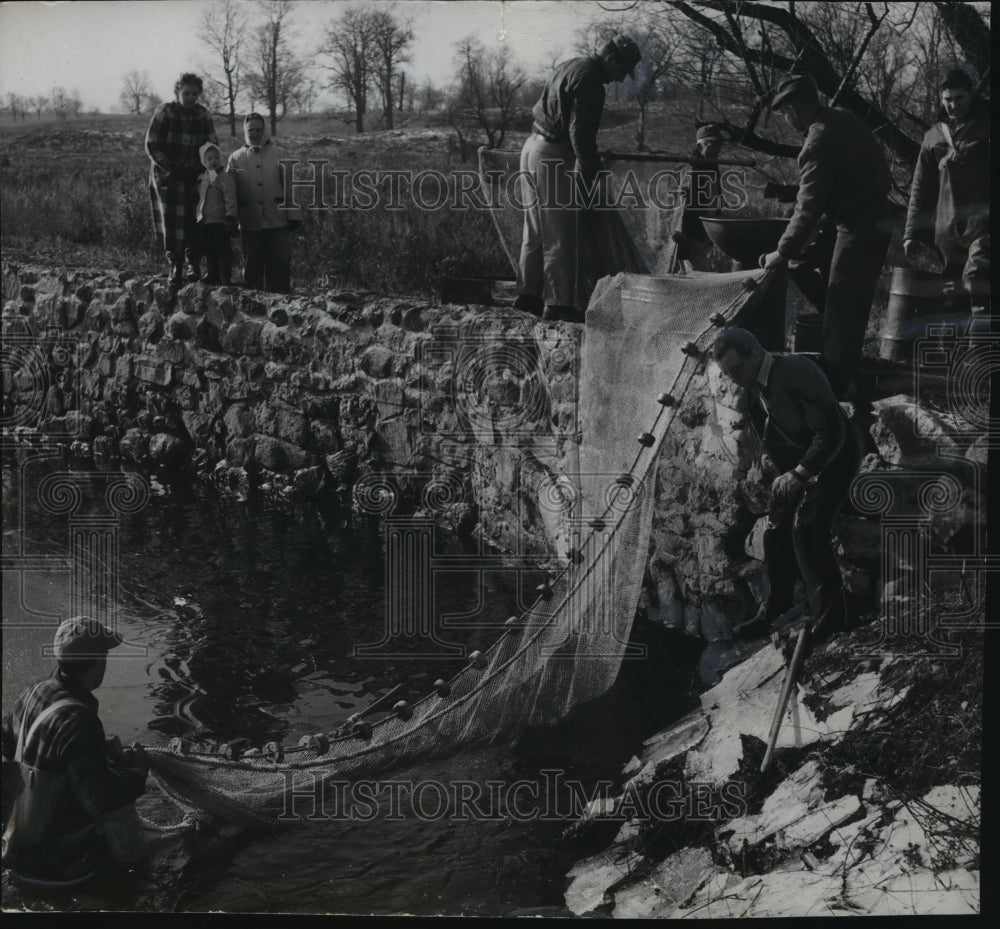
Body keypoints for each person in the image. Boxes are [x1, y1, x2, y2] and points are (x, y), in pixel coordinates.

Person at [712, 328, 862, 648]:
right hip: (799, 464)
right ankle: (775, 608)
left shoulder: (797, 372)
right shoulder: (754, 383)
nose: (734, 380)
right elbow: (774, 430)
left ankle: (831, 619)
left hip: (835, 458)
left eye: (736, 370)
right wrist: (778, 470)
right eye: (727, 375)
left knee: (805, 529)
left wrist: (799, 474)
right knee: (775, 529)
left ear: (755, 354)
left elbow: (832, 433)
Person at [760, 74, 893, 424]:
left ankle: (836, 395)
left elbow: (808, 208)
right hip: (868, 216)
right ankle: (842, 350)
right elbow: (831, 186)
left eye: (786, 113)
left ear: (794, 109)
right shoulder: (842, 117)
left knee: (842, 305)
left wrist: (782, 251)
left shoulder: (817, 141)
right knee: (807, 268)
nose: (787, 121)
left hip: (860, 227)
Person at [2, 616, 149, 884]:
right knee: (139, 874)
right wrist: (138, 773)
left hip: (15, 852)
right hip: (60, 866)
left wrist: (95, 751)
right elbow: (99, 799)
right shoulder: (81, 720)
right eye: (105, 654)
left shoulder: (32, 692)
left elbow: (15, 749)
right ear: (97, 663)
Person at [513, 34, 642, 323]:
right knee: (561, 234)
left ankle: (527, 296)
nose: (620, 79)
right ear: (611, 59)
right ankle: (558, 305)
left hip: (531, 147)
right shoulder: (592, 81)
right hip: (552, 153)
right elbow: (580, 134)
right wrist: (591, 170)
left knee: (534, 231)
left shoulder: (572, 64)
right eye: (622, 70)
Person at [903, 68, 990, 301]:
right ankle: (954, 339)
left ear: (971, 94)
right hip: (947, 231)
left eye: (959, 98)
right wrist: (911, 233)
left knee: (977, 282)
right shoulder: (933, 136)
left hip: (983, 226)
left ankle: (979, 338)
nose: (953, 105)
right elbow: (921, 189)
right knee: (952, 297)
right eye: (947, 100)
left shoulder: (988, 127)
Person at [145, 72, 219, 290]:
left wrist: (201, 167)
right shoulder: (165, 111)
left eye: (194, 94)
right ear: (177, 92)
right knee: (172, 221)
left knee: (195, 220)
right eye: (186, 93)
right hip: (169, 177)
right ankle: (174, 264)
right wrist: (171, 167)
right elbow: (152, 144)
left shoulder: (203, 115)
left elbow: (212, 143)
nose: (190, 98)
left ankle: (193, 263)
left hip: (194, 176)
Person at [227, 113, 304, 294]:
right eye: (250, 130)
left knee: (279, 265)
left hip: (277, 220)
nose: (255, 134)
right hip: (249, 222)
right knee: (252, 266)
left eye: (258, 130)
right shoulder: (235, 158)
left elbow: (290, 187)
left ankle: (282, 307)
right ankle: (255, 311)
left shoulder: (280, 154)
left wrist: (294, 215)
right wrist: (230, 216)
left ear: (265, 131)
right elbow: (229, 191)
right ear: (245, 131)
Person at [674, 123, 725, 272]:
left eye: (719, 145)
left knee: (694, 274)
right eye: (712, 145)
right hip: (691, 234)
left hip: (706, 233)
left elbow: (714, 199)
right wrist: (682, 235)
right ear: (699, 147)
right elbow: (680, 204)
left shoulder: (712, 165)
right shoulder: (690, 168)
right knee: (698, 275)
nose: (717, 150)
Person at [196, 142, 239, 285]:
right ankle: (212, 274)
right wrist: (198, 216)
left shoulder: (225, 178)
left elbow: (230, 197)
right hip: (206, 220)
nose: (213, 161)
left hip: (221, 221)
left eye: (216, 158)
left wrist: (231, 216)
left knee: (223, 250)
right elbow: (201, 199)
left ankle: (225, 277)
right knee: (209, 249)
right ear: (204, 161)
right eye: (209, 159)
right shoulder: (203, 178)